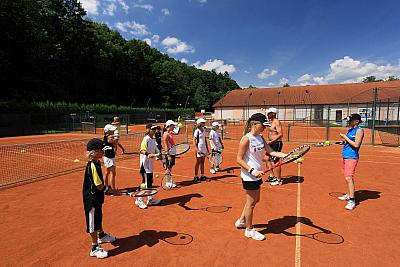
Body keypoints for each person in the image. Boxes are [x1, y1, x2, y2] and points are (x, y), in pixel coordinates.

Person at [235, 113, 287, 241]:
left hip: (257, 174)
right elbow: (239, 159)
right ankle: (249, 230)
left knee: (254, 201)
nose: (265, 128)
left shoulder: (260, 137)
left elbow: (271, 151)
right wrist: (252, 170)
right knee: (251, 203)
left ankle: (241, 220)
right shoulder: (246, 139)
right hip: (249, 176)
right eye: (263, 125)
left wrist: (287, 156)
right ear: (254, 124)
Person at [83, 138, 119, 258]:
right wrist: (110, 190)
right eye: (101, 150)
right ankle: (94, 248)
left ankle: (102, 235)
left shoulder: (97, 163)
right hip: (91, 199)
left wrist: (108, 190)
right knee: (92, 223)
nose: (104, 152)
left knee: (98, 216)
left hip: (97, 198)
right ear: (94, 152)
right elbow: (98, 185)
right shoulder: (92, 165)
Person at [338, 114, 364, 210]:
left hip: (352, 157)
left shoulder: (359, 130)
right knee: (346, 177)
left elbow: (356, 144)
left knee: (349, 177)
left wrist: (345, 137)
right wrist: (343, 142)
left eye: (351, 120)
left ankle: (352, 201)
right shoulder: (350, 130)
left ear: (356, 121)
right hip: (345, 155)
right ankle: (348, 194)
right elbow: (349, 142)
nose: (348, 122)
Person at [135, 123, 161, 209]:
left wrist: (160, 155)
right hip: (144, 164)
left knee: (149, 182)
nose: (154, 131)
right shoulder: (145, 139)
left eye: (155, 129)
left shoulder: (153, 139)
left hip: (150, 165)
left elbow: (157, 151)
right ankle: (139, 199)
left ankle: (150, 199)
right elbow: (142, 150)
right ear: (148, 130)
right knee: (145, 183)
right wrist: (148, 154)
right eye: (152, 129)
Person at [265, 107, 284, 186]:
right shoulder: (271, 122)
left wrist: (271, 141)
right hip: (271, 143)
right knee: (266, 158)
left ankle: (278, 180)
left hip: (276, 143)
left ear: (273, 114)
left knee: (276, 161)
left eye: (269, 113)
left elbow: (280, 134)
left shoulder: (276, 122)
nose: (267, 115)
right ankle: (272, 176)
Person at [193, 118, 210, 182]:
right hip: (199, 148)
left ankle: (202, 176)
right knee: (198, 162)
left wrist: (207, 150)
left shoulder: (204, 130)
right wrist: (197, 149)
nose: (204, 123)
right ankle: (196, 176)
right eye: (203, 122)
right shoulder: (196, 131)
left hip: (203, 148)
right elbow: (194, 141)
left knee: (202, 162)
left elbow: (205, 140)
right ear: (200, 123)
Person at [162, 120, 178, 187]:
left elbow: (177, 132)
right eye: (173, 125)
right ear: (169, 126)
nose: (174, 126)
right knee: (168, 168)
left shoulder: (170, 132)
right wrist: (168, 155)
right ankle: (168, 182)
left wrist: (178, 126)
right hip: (169, 152)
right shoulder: (166, 134)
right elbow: (166, 145)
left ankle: (169, 181)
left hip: (172, 151)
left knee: (170, 167)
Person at [103, 124, 117, 192]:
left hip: (107, 156)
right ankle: (113, 189)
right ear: (108, 131)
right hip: (110, 157)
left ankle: (105, 188)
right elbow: (115, 142)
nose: (113, 130)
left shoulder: (105, 136)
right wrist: (116, 137)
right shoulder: (110, 137)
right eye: (112, 130)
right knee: (113, 173)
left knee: (107, 172)